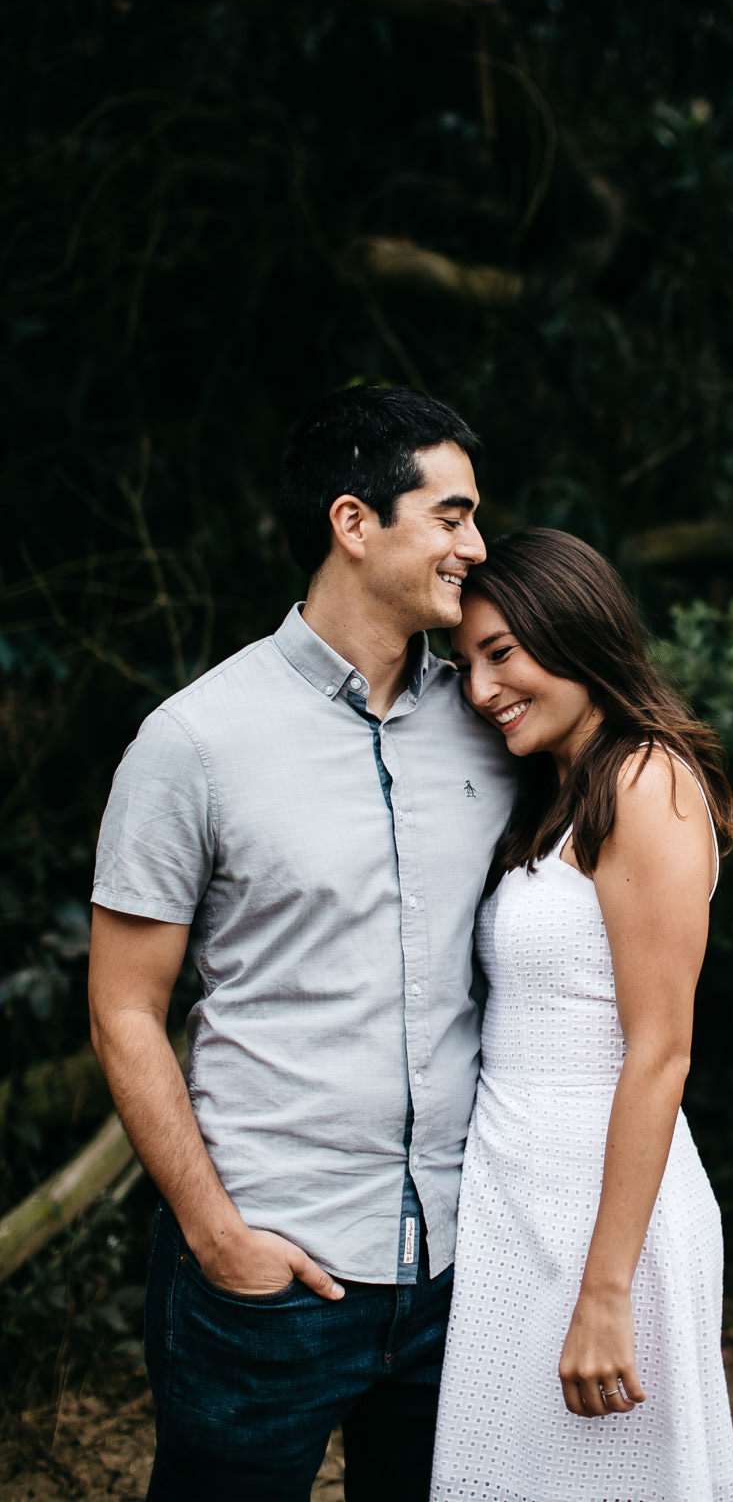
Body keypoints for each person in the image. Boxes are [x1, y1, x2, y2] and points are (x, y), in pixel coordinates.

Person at [87, 386, 517, 1502]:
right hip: (266, 1276)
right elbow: (124, 1009)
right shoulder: (193, 742)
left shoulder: (494, 721)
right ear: (354, 523)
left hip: (456, 1274)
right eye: (453, 516)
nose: (477, 547)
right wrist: (217, 1237)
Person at [431, 527, 733, 1501]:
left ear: (575, 632)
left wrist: (605, 1293)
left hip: (608, 1224)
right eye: (467, 664)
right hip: (515, 1205)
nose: (481, 691)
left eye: (502, 656)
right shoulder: (559, 795)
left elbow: (660, 1055)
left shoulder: (647, 782)